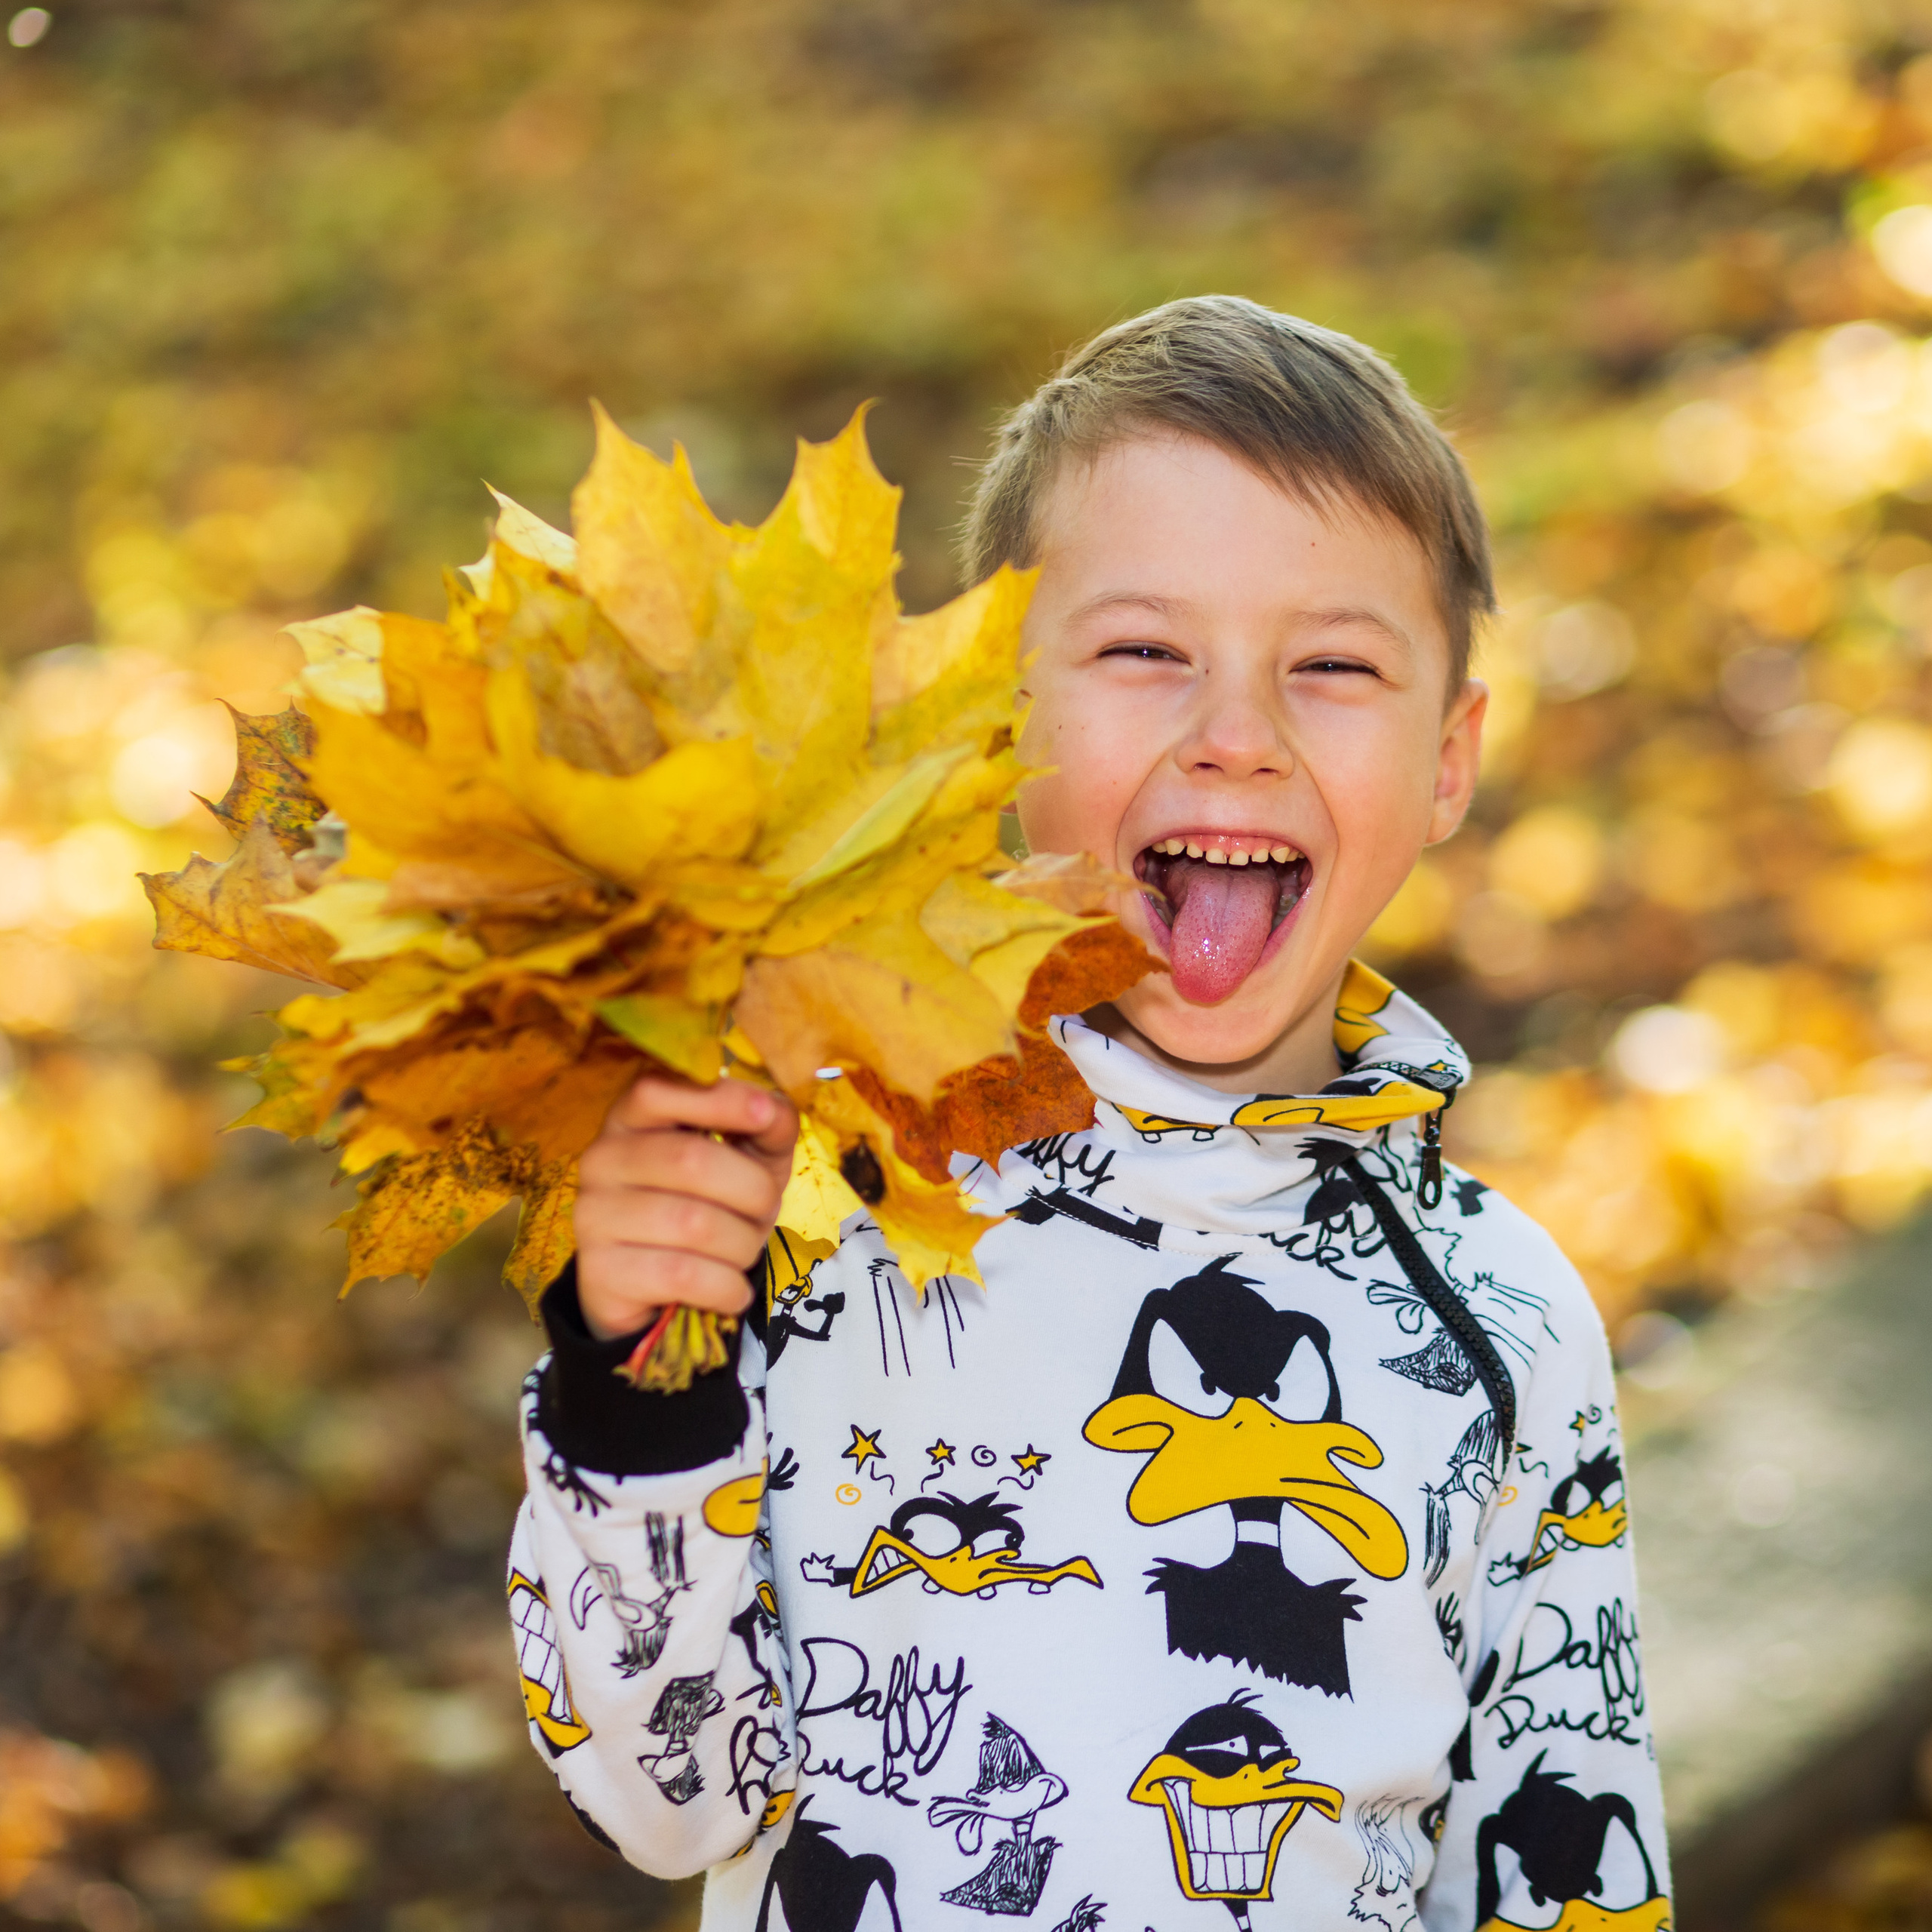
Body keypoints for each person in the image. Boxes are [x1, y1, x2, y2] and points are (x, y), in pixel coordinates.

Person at [507, 297, 1671, 1931]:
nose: (1238, 738)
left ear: (1447, 759)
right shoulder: (812, 1204)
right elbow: (659, 1797)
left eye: (1333, 667)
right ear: (987, 709)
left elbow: (1566, 1863)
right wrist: (638, 1376)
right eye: (1144, 652)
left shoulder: (1501, 1318)